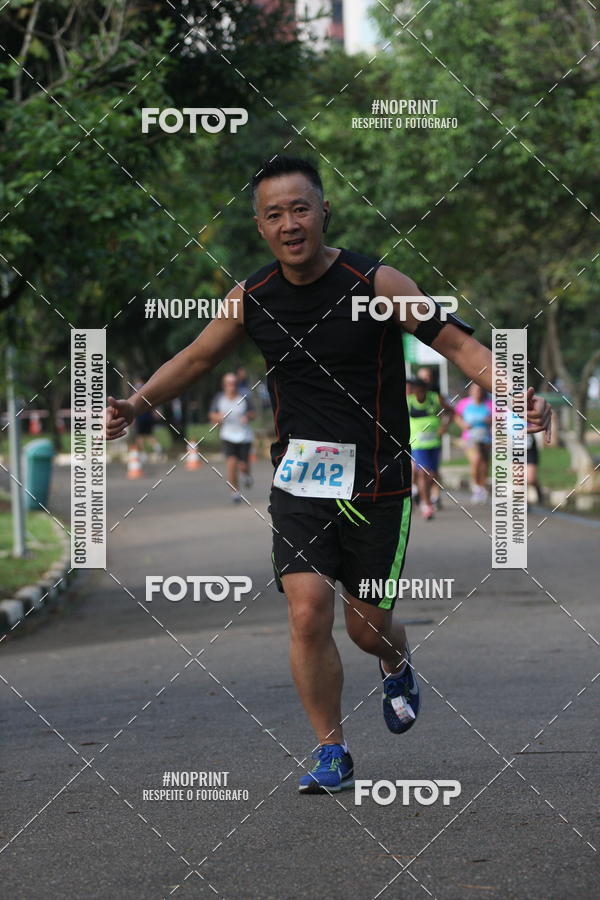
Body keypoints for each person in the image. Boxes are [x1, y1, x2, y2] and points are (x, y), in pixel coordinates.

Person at [105, 155, 551, 794]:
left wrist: (515, 391)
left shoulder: (375, 283)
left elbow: (457, 344)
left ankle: (395, 656)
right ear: (260, 226)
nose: (290, 223)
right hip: (302, 481)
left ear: (323, 212)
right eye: (274, 214)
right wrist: (134, 403)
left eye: (300, 208)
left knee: (365, 627)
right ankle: (330, 750)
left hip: (380, 480)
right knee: (308, 611)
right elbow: (196, 356)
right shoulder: (252, 298)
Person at [407, 378, 452, 520]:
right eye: (416, 390)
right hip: (418, 445)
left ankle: (421, 494)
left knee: (433, 474)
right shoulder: (409, 401)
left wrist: (444, 426)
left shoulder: (435, 398)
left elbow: (451, 411)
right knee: (422, 473)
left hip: (434, 443)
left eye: (421, 390)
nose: (418, 393)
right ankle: (426, 505)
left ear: (425, 389)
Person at [209, 372, 255, 502]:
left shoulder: (244, 397)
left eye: (234, 383)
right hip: (227, 436)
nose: (232, 386)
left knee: (243, 466)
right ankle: (235, 491)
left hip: (244, 436)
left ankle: (247, 475)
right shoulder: (219, 398)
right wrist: (218, 417)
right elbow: (212, 415)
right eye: (229, 384)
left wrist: (247, 417)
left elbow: (253, 413)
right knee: (231, 464)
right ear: (224, 385)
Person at [455, 384, 493, 503]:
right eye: (475, 390)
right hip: (470, 438)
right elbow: (456, 416)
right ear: (470, 391)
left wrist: (490, 420)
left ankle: (482, 487)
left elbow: (499, 417)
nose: (478, 392)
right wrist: (463, 425)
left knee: (484, 463)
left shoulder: (489, 404)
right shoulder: (464, 403)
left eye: (480, 389)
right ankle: (477, 488)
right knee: (476, 460)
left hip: (485, 437)